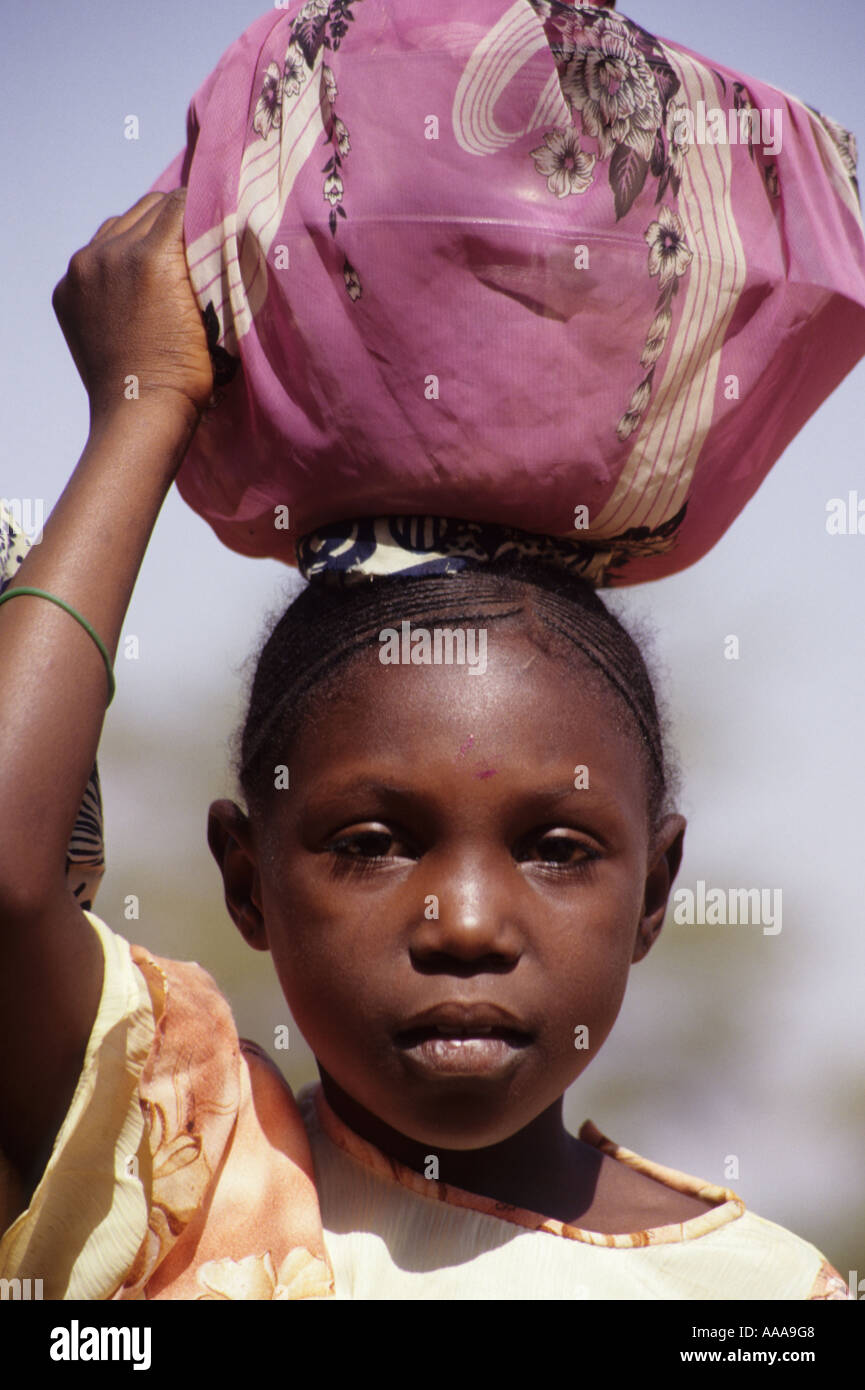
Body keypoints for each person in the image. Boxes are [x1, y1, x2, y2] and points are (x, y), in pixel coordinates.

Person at [0, 192, 850, 1299]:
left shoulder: (767, 1296)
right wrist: (143, 403)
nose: (467, 925)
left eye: (556, 847)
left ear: (655, 890)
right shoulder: (183, 1165)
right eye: (371, 841)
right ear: (248, 880)